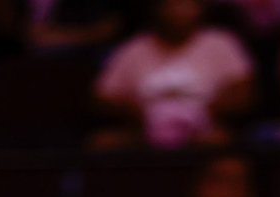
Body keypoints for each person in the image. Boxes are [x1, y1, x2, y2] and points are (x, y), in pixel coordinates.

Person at [93, 0, 255, 148]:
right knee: (104, 143)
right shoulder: (134, 48)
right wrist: (137, 112)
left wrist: (201, 113)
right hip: (143, 130)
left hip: (205, 128)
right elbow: (103, 97)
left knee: (219, 141)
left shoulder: (220, 42)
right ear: (157, 9)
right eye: (172, 5)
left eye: (187, 5)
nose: (180, 12)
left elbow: (245, 93)